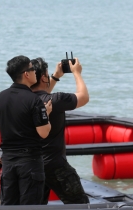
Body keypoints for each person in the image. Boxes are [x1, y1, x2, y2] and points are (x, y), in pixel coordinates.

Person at [0, 55, 52, 205]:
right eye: (32, 68)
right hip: (30, 162)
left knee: (9, 205)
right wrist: (46, 115)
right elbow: (43, 133)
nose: (35, 72)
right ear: (26, 74)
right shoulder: (34, 100)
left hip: (8, 161)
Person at [30, 57, 90, 204]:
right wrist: (77, 73)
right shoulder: (56, 100)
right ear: (44, 77)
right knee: (80, 205)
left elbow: (41, 95)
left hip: (32, 166)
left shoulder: (24, 101)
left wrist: (56, 76)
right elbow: (84, 97)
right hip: (56, 165)